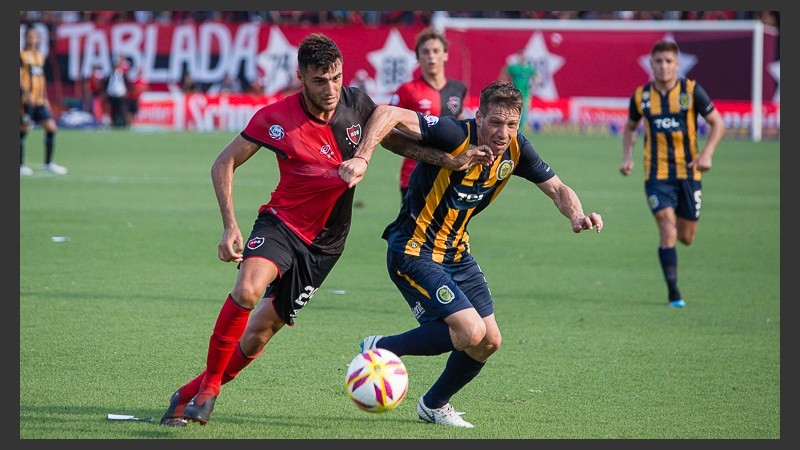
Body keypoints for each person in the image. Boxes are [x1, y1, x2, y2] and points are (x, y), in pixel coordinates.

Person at [159, 33, 492, 427]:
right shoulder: (274, 117)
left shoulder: (355, 104)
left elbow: (396, 142)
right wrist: (229, 225)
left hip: (326, 245)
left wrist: (448, 161)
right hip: (281, 224)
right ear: (300, 77)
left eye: (336, 77)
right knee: (247, 290)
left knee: (257, 336)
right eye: (320, 80)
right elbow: (223, 163)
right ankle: (210, 391)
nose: (331, 88)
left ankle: (185, 394)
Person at [338, 80, 603, 428]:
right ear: (478, 118)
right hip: (413, 249)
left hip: (456, 252)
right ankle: (382, 346)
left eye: (511, 124)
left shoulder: (517, 149)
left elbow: (557, 189)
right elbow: (386, 113)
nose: (503, 132)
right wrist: (362, 157)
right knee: (468, 333)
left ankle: (433, 405)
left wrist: (577, 215)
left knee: (489, 341)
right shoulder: (452, 134)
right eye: (495, 122)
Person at [619, 40, 725, 309]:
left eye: (668, 61)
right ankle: (674, 294)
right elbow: (630, 127)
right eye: (658, 61)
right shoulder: (641, 96)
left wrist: (707, 153)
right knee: (667, 229)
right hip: (656, 175)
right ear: (651, 64)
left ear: (677, 65)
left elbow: (717, 123)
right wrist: (628, 157)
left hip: (689, 173)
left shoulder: (691, 91)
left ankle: (676, 241)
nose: (663, 66)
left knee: (686, 237)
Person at [391, 27, 467, 200]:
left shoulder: (458, 89)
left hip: (449, 174)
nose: (431, 56)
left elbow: (459, 120)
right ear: (418, 57)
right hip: (414, 175)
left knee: (449, 226)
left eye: (436, 51)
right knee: (413, 227)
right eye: (425, 52)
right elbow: (390, 127)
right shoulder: (407, 90)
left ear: (446, 55)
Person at [20, 26, 66, 176]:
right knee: (23, 131)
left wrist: (45, 98)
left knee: (51, 128)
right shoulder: (22, 56)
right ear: (25, 38)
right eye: (30, 35)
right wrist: (27, 93)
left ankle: (48, 164)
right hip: (26, 100)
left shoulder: (40, 56)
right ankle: (20, 165)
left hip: (39, 101)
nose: (33, 38)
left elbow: (42, 79)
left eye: (35, 36)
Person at [499, 50, 539, 132]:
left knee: (523, 113)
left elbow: (537, 77)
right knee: (513, 111)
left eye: (524, 56)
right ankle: (512, 128)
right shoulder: (514, 67)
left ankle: (518, 130)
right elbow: (504, 73)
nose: (523, 58)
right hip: (514, 93)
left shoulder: (529, 68)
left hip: (525, 94)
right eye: (521, 56)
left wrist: (534, 83)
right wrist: (505, 84)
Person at [104, 55, 132, 128]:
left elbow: (128, 84)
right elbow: (106, 84)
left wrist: (127, 92)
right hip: (112, 95)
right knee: (112, 111)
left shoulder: (123, 74)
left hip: (121, 96)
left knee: (124, 110)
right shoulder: (110, 74)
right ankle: (113, 124)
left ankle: (127, 125)